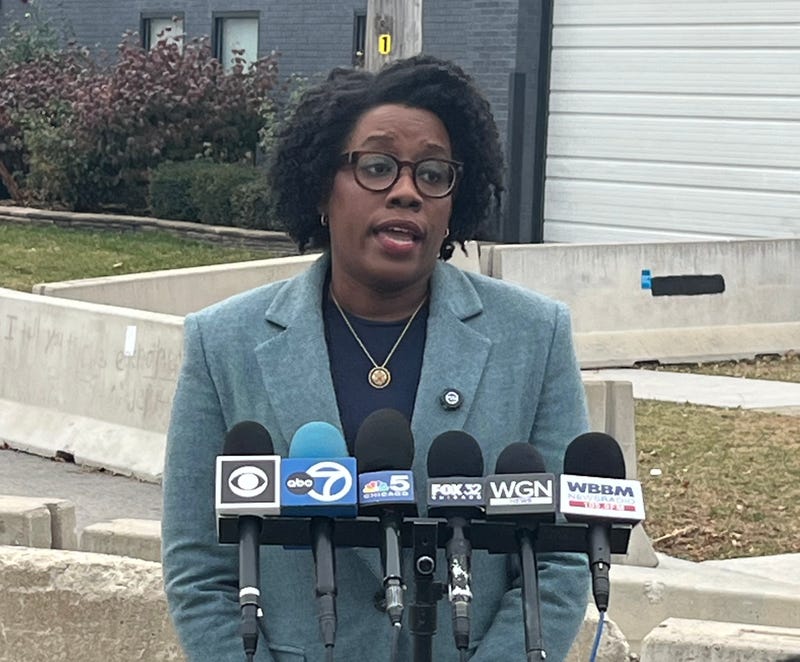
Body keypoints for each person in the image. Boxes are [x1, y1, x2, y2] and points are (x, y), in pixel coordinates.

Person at [162, 55, 590, 661]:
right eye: (377, 166)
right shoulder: (222, 342)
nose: (407, 192)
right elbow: (199, 569)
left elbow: (559, 560)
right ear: (319, 187)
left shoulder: (536, 335)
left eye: (433, 173)